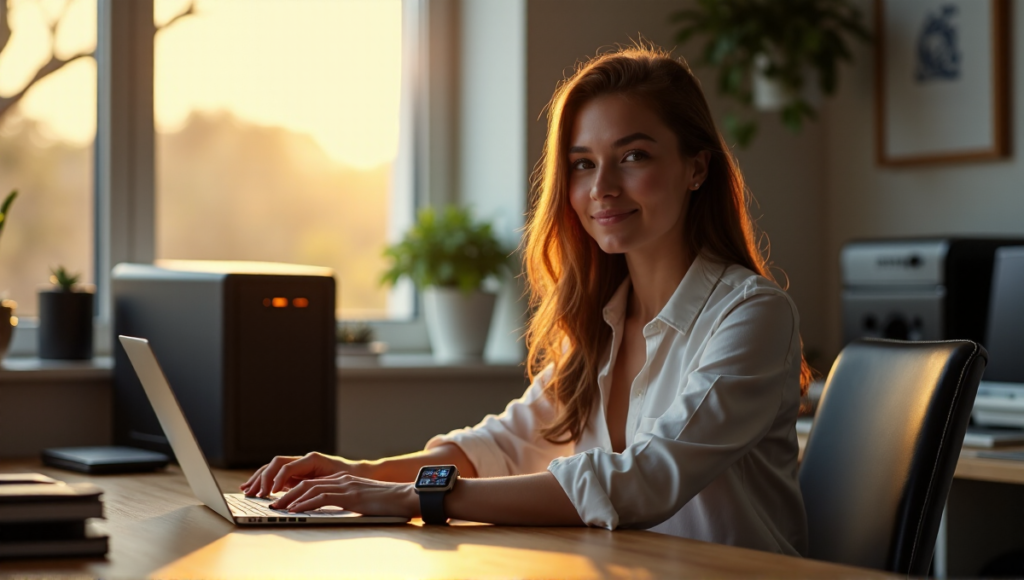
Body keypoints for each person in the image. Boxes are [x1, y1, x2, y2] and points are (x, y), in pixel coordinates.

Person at [242, 44, 810, 556]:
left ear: (696, 168)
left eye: (633, 156)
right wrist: (360, 475)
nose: (602, 187)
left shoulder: (751, 315)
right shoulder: (600, 321)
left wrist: (418, 499)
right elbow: (501, 448)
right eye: (583, 164)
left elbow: (644, 481)